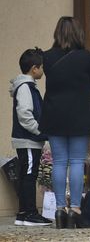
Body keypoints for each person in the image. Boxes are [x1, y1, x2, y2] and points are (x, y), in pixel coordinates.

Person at [39, 16, 90, 229]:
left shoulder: (46, 57)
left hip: (55, 114)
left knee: (59, 162)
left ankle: (59, 209)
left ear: (57, 33)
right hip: (80, 115)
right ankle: (75, 208)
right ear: (78, 33)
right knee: (76, 161)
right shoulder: (85, 57)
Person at [9, 48, 52, 226]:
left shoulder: (28, 87)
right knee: (28, 175)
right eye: (42, 67)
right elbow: (25, 115)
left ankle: (23, 214)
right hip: (28, 140)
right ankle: (29, 213)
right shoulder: (25, 88)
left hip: (29, 140)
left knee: (28, 174)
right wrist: (39, 131)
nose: (43, 71)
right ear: (34, 68)